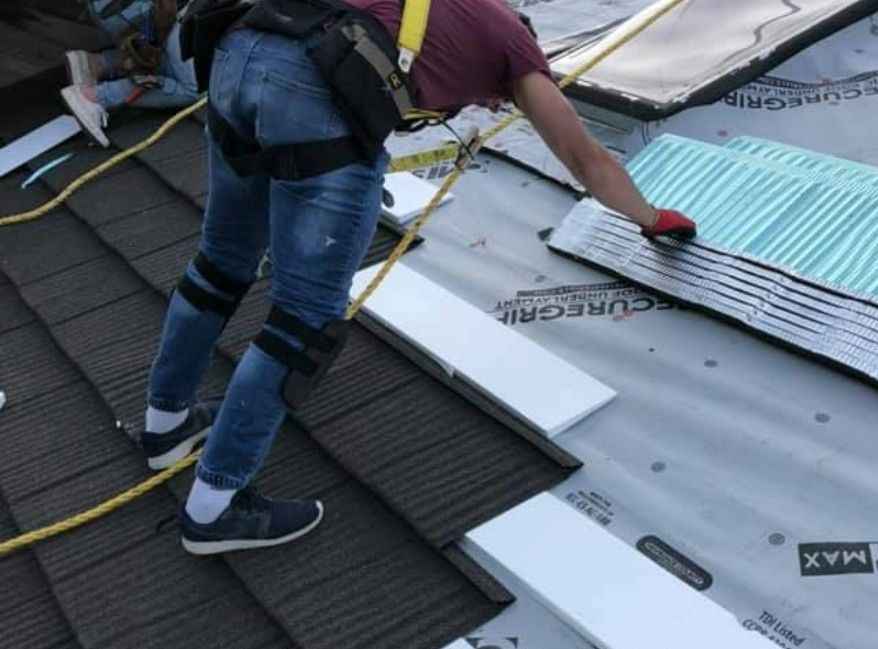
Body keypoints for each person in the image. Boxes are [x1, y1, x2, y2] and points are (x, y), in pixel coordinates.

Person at [141, 0, 697, 556]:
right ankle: (214, 509)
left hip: (236, 55)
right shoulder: (513, 43)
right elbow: (585, 159)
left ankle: (166, 424)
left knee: (221, 264)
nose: (489, 104)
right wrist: (650, 218)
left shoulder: (435, 15)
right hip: (307, 92)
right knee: (302, 320)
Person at [62, 0, 198, 147]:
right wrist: (149, 45)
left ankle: (96, 64)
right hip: (130, 9)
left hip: (110, 8)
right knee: (191, 88)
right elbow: (165, 11)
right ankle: (93, 97)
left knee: (175, 58)